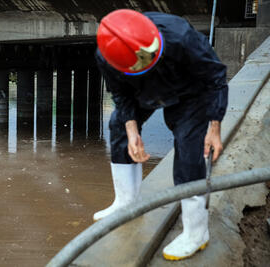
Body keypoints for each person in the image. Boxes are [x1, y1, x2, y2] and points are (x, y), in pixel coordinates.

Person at [94, 9, 228, 260]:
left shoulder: (181, 36)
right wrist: (132, 132)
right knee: (119, 127)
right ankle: (126, 203)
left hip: (188, 92)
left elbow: (216, 77)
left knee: (189, 148)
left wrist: (214, 127)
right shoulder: (107, 57)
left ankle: (196, 232)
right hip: (141, 90)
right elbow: (121, 95)